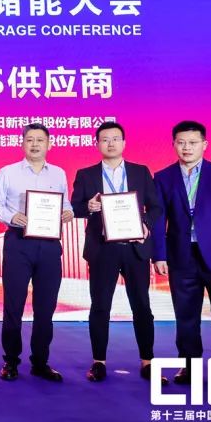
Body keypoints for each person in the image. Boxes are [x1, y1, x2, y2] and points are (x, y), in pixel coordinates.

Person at [152, 120, 211, 390]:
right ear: (173, 144)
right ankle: (190, 366)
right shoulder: (163, 177)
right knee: (185, 315)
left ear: (204, 145)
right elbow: (158, 219)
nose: (187, 147)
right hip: (181, 256)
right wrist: (159, 255)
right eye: (181, 142)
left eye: (193, 143)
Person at [70, 121, 165, 384]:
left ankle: (148, 361)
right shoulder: (86, 174)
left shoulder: (140, 172)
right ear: (97, 144)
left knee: (142, 306)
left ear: (124, 142)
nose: (110, 143)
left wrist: (145, 224)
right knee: (100, 306)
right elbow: (75, 207)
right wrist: (88, 207)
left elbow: (156, 207)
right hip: (103, 249)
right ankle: (98, 362)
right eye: (105, 139)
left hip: (135, 248)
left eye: (115, 139)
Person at [0, 123, 73, 382]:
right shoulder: (8, 172)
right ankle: (11, 361)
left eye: (40, 140)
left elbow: (65, 202)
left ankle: (40, 362)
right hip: (18, 242)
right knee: (13, 305)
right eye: (30, 140)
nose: (35, 144)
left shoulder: (58, 173)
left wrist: (68, 212)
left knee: (45, 307)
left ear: (49, 144)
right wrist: (12, 216)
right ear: (22, 143)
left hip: (49, 244)